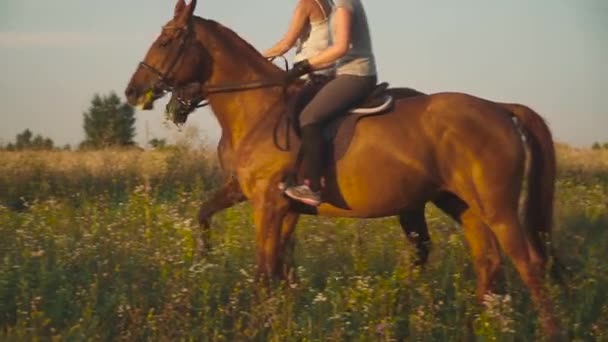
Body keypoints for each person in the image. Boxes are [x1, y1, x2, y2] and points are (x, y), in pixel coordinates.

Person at [282, 0, 378, 207]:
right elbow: (335, 54)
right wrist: (306, 69)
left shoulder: (345, 5)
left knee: (309, 117)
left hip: (356, 75)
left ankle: (313, 187)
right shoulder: (339, 5)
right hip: (342, 72)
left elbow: (341, 47)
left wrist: (306, 65)